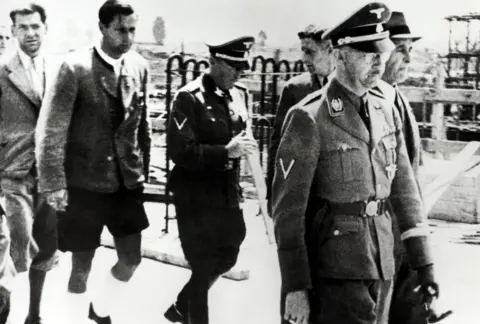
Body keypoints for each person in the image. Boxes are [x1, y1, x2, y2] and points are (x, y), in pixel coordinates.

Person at [271, 3, 439, 324]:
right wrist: (295, 287)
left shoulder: (386, 109)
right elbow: (288, 213)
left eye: (382, 52)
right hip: (335, 266)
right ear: (340, 54)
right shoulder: (309, 117)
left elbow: (405, 193)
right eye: (368, 53)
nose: (379, 62)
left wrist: (423, 262)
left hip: (383, 259)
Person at [35, 1, 150, 323]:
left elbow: (142, 128)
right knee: (81, 267)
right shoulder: (75, 67)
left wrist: (143, 171)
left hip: (126, 183)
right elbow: (51, 130)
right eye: (120, 30)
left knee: (131, 260)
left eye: (132, 30)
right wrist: (54, 184)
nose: (127, 37)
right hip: (83, 185)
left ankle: (100, 311)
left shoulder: (139, 66)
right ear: (102, 28)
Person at [165, 35, 258, 324]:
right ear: (214, 62)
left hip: (226, 192)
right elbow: (180, 152)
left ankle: (181, 307)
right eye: (233, 66)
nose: (240, 73)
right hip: (196, 195)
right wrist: (225, 152)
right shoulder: (188, 98)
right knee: (203, 265)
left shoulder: (238, 95)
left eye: (243, 66)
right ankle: (193, 316)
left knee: (230, 253)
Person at [381, 11, 451, 324]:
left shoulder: (400, 102)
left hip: (405, 237)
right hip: (378, 239)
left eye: (411, 48)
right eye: (401, 48)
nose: (409, 56)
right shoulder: (366, 105)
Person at [0, 3, 61, 323]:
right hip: (13, 177)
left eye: (35, 26)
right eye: (23, 27)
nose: (30, 32)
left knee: (47, 247)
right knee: (12, 250)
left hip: (50, 179)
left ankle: (34, 315)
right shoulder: (2, 72)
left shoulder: (60, 71)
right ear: (13, 32)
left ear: (45, 28)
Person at [267, 24, 334, 203]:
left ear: (330, 49)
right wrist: (273, 195)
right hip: (302, 193)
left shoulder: (349, 88)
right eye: (303, 51)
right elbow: (277, 146)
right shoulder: (295, 89)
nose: (304, 59)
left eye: (310, 52)